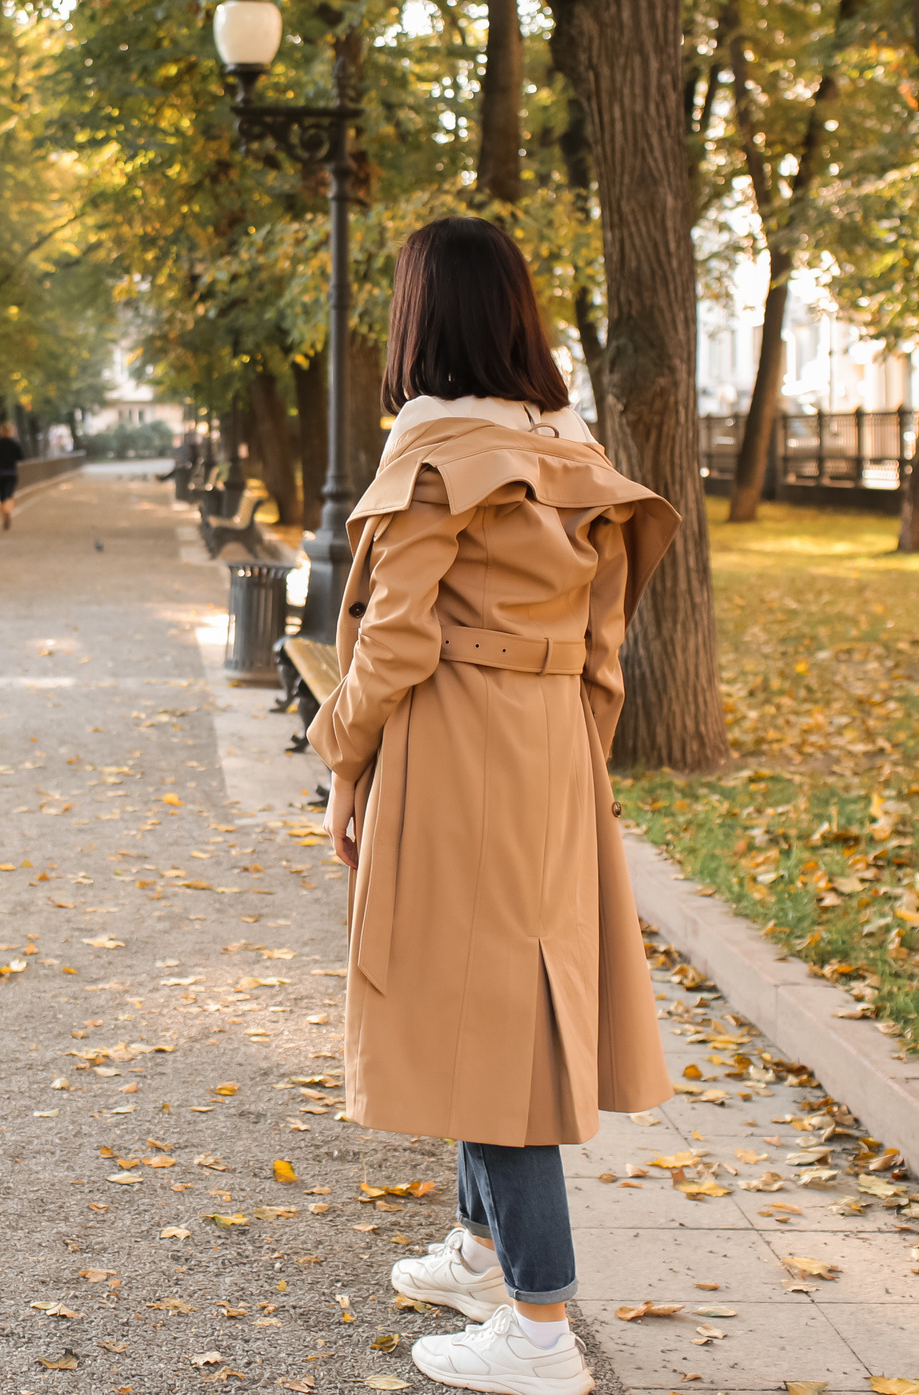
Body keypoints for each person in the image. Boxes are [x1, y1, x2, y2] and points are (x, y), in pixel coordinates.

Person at [308, 216, 676, 1395]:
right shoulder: (569, 448)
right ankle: (480, 1252)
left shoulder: (432, 452)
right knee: (501, 1003)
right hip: (550, 750)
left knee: (496, 1031)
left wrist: (340, 758)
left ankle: (539, 1332)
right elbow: (604, 640)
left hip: (457, 750)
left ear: (423, 319)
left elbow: (396, 640)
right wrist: (568, 758)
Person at [0, 420, 24, 530]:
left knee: (2, 497)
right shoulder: (14, 444)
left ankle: (5, 516)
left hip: (0, 473)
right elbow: (21, 457)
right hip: (11, 473)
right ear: (10, 432)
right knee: (9, 495)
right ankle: (7, 512)